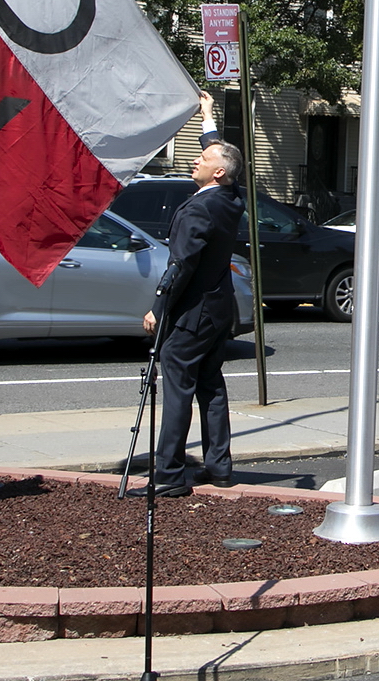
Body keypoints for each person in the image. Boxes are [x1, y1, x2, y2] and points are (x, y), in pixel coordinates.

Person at [142, 94, 244, 498]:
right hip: (219, 309)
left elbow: (180, 266)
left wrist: (157, 308)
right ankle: (219, 467)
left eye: (203, 159)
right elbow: (222, 155)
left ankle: (168, 474)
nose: (194, 160)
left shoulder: (198, 211)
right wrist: (207, 119)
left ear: (217, 172)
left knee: (178, 387)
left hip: (193, 313)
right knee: (210, 386)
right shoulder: (232, 197)